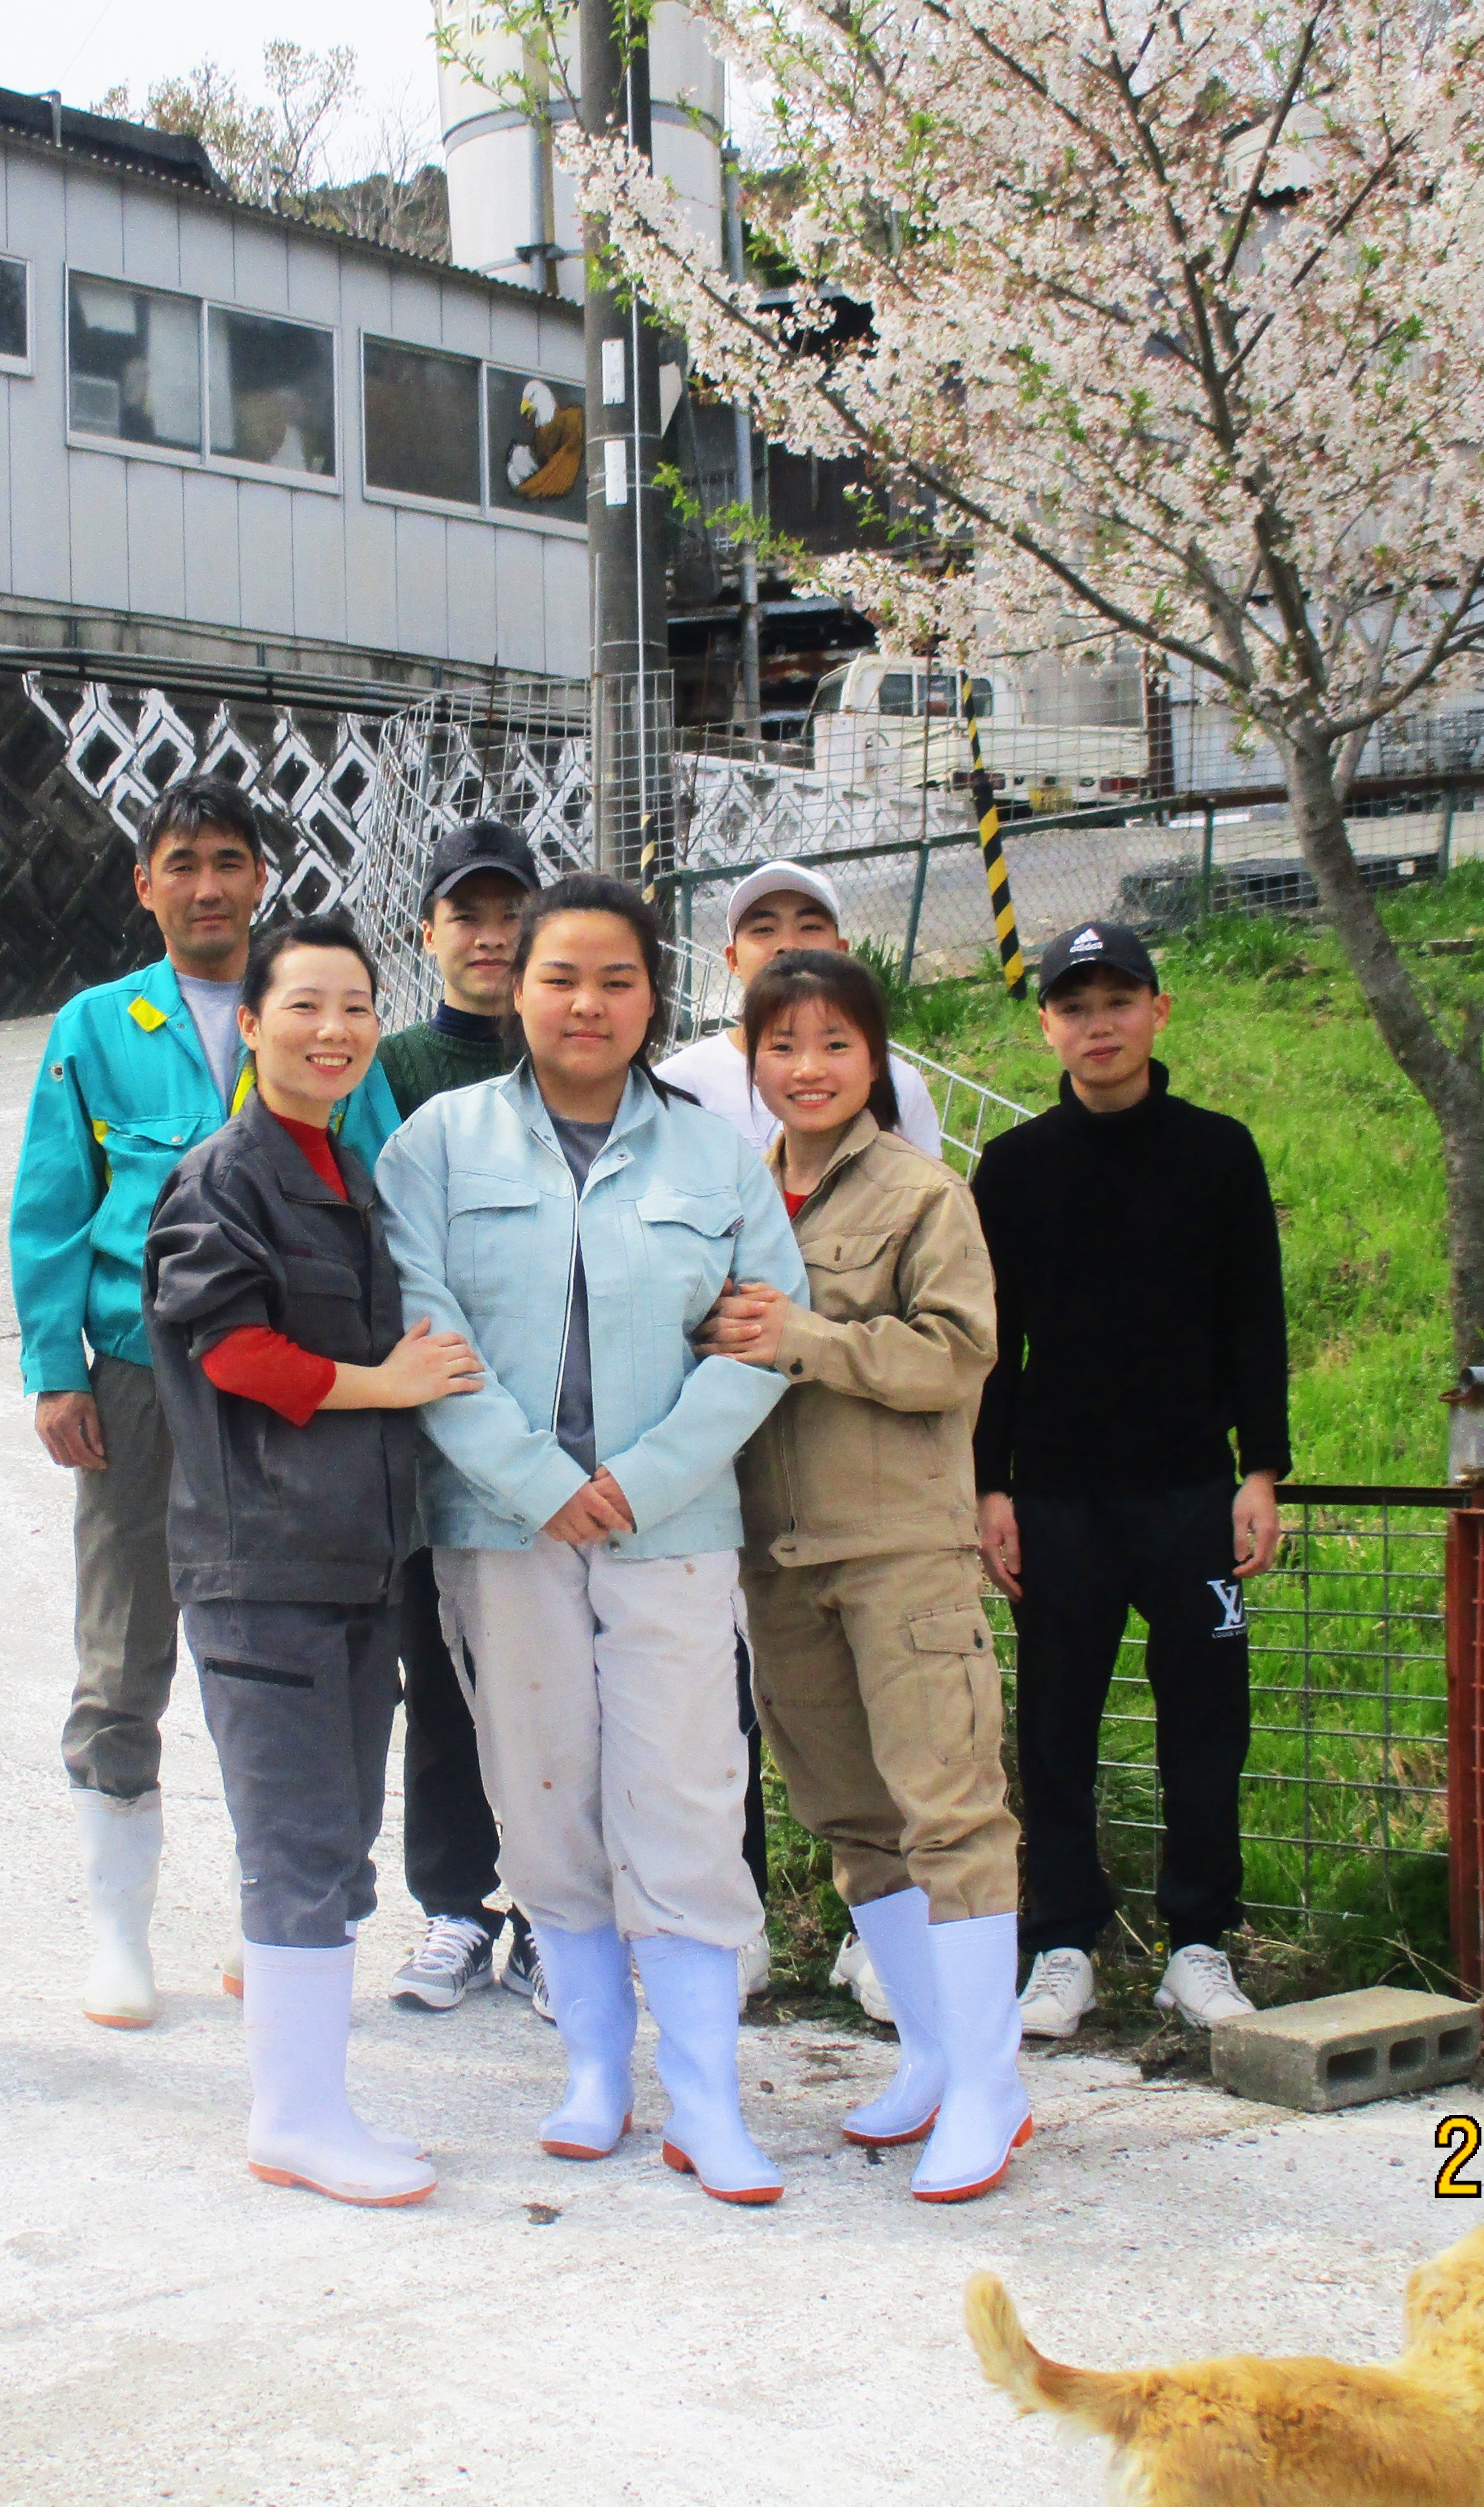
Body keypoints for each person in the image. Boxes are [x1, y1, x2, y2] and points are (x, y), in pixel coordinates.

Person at [377, 875, 808, 2204]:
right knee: (542, 1784)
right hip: (500, 1532)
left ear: (651, 997)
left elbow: (761, 1337)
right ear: (513, 987)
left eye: (616, 979)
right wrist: (530, 1480)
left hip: (665, 1526)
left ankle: (707, 2100)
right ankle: (593, 2073)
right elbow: (420, 1323)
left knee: (682, 1792)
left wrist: (637, 1477)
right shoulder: (437, 1146)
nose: (586, 1003)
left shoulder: (710, 1156)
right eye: (561, 976)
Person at [10, 773, 401, 2028]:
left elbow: (382, 1184)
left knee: (294, 1640)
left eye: (229, 860)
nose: (207, 885)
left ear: (261, 877)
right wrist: (54, 1363)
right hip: (140, 1370)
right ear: (145, 883)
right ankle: (117, 1927)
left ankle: (270, 1911)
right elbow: (49, 1204)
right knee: (125, 1642)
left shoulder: (316, 1009)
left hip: (305, 1379)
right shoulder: (95, 1024)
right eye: (180, 863)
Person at [142, 914, 486, 2204]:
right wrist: (384, 1383)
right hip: (262, 1561)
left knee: (336, 1837)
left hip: (351, 1560)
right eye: (303, 1006)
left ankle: (310, 2098)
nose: (333, 1030)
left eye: (353, 1006)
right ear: (249, 1022)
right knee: (295, 1840)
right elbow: (231, 1351)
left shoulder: (349, 1169)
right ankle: (291, 2116)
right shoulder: (223, 1175)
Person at [699, 948, 1023, 2201]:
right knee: (850, 1817)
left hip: (900, 1551)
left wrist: (808, 1338)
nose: (808, 1067)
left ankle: (993, 2087)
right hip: (774, 1553)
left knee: (949, 1814)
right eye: (782, 1044)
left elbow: (957, 1356)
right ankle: (937, 2054)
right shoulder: (738, 1196)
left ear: (874, 1057)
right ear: (752, 1058)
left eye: (834, 1044)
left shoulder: (924, 1194)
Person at [970, 919, 1289, 2041]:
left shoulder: (1218, 1150)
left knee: (1207, 1720)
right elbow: (990, 1342)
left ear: (1159, 1009)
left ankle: (1198, 1941)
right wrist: (989, 1486)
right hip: (1057, 1495)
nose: (1095, 1022)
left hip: (1190, 1492)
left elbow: (1255, 1316)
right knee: (1054, 1724)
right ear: (1045, 1023)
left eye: (1117, 998)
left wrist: (1264, 1469)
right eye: (1072, 1004)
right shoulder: (1012, 1168)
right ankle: (1064, 1941)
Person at [372, 819, 542, 2017]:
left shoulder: (580, 1049)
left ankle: (550, 1912)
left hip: (565, 1413)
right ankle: (450, 1902)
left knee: (556, 1678)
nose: (490, 937)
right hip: (433, 1412)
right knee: (434, 1670)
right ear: (427, 931)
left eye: (510, 912)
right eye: (466, 915)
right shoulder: (390, 1065)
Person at [651, 860, 945, 1159]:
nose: (788, 945)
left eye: (809, 927)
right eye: (764, 929)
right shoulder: (675, 1086)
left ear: (841, 951)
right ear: (733, 959)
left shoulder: (898, 1082)